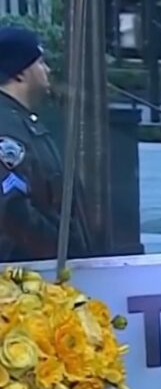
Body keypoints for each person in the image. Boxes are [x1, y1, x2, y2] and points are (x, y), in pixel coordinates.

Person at [0, 25, 89, 263]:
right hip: (26, 273)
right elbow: (12, 209)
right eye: (40, 63)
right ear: (19, 73)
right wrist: (62, 251)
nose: (47, 70)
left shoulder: (21, 121)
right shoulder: (6, 128)